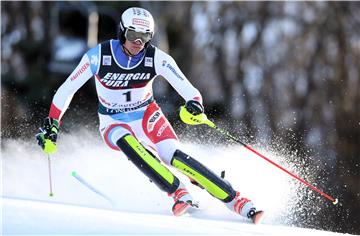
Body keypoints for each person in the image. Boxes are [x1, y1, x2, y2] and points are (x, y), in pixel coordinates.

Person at [36, 7, 265, 224]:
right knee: (129, 144)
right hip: (113, 120)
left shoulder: (156, 58)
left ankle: (238, 201)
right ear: (122, 32)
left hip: (147, 114)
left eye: (145, 37)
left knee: (173, 156)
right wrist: (52, 123)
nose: (138, 42)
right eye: (133, 34)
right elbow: (67, 89)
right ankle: (178, 192)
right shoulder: (99, 56)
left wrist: (194, 105)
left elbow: (189, 90)